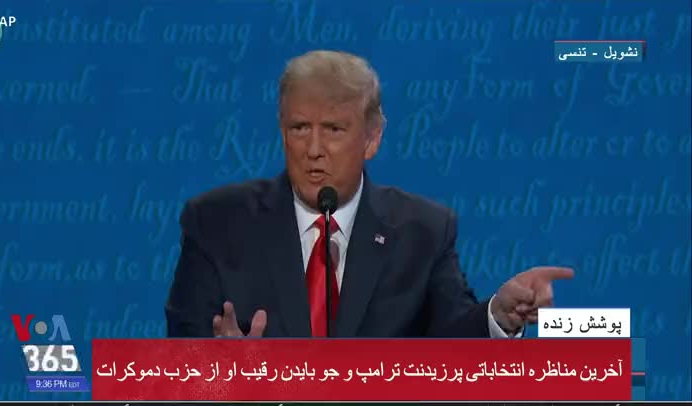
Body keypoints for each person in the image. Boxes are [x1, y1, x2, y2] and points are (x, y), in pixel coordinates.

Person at [165, 50, 574, 338]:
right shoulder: (217, 222)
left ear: (372, 138)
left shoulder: (423, 231)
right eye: (299, 128)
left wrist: (498, 315)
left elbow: (451, 342)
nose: (313, 149)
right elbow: (178, 358)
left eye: (333, 129)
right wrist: (223, 374)